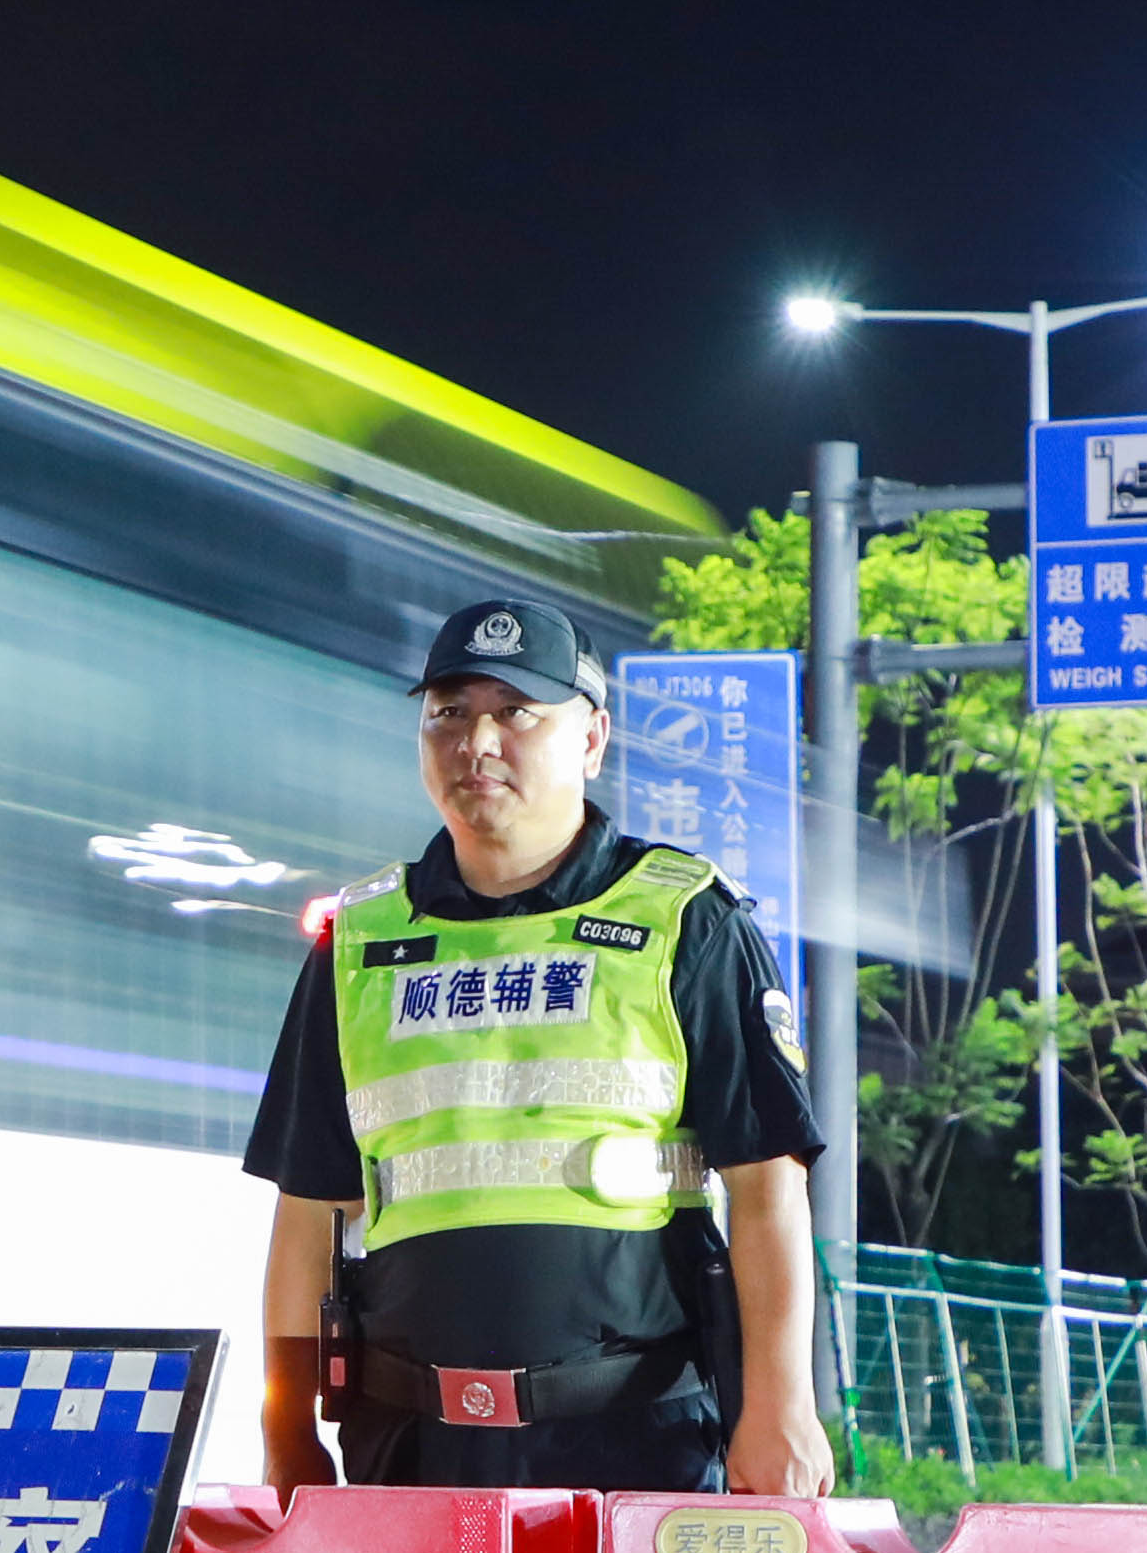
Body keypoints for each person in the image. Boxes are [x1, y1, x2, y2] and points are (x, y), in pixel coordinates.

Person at [248, 596, 831, 1494]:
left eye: (516, 712)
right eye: (447, 714)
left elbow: (767, 1190)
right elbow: (307, 1215)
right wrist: (286, 1434)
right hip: (409, 1446)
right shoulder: (361, 941)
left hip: (637, 1443)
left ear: (591, 740)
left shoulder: (683, 919)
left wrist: (782, 1407)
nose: (476, 743)